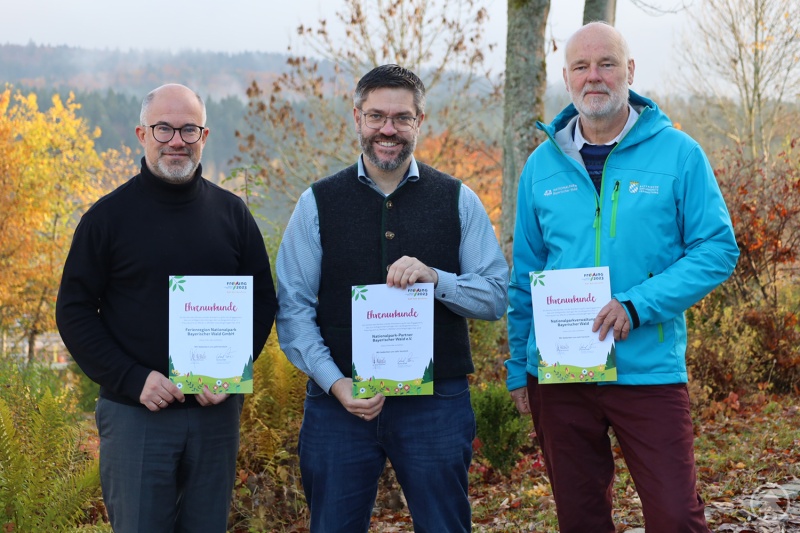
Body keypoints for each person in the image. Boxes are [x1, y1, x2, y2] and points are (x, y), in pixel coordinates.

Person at [505, 22, 739, 533]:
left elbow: (718, 249)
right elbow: (525, 276)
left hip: (648, 370)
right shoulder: (540, 168)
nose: (595, 77)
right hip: (562, 373)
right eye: (581, 67)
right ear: (567, 79)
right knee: (581, 519)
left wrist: (637, 305)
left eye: (607, 63)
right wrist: (517, 366)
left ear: (629, 72)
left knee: (676, 517)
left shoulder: (678, 154)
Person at [276, 64, 508, 532]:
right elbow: (293, 308)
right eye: (377, 116)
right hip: (339, 404)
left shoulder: (458, 199)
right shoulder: (316, 203)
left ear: (419, 122)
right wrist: (334, 383)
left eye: (402, 118)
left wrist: (437, 279)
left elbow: (495, 297)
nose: (388, 129)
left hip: (436, 405)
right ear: (357, 117)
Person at [55, 83, 278, 533]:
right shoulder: (106, 219)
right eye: (164, 129)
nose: (177, 140)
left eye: (188, 129)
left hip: (215, 413)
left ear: (204, 136)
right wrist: (132, 378)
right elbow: (74, 312)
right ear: (142, 134)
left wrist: (232, 371)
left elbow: (262, 299)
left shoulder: (232, 214)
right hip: (136, 413)